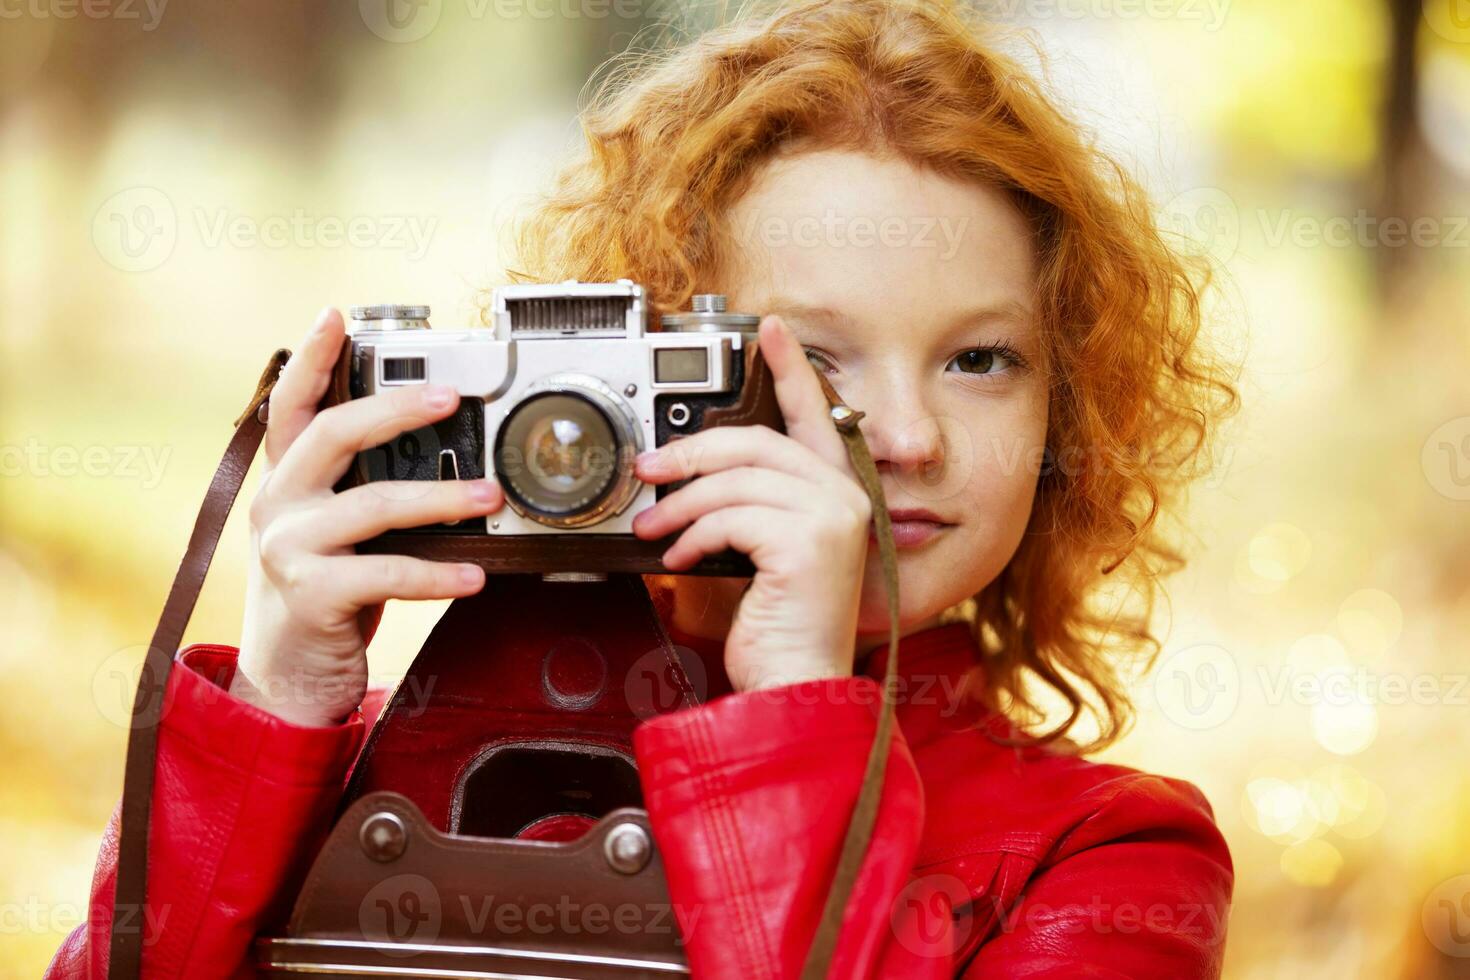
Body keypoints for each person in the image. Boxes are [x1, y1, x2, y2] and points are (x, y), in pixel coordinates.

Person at [49, 0, 1242, 976]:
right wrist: (278, 705)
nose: (911, 436)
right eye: (811, 360)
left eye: (981, 358)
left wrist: (788, 720)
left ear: (1064, 406)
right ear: (624, 383)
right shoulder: (349, 769)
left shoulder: (1116, 856)